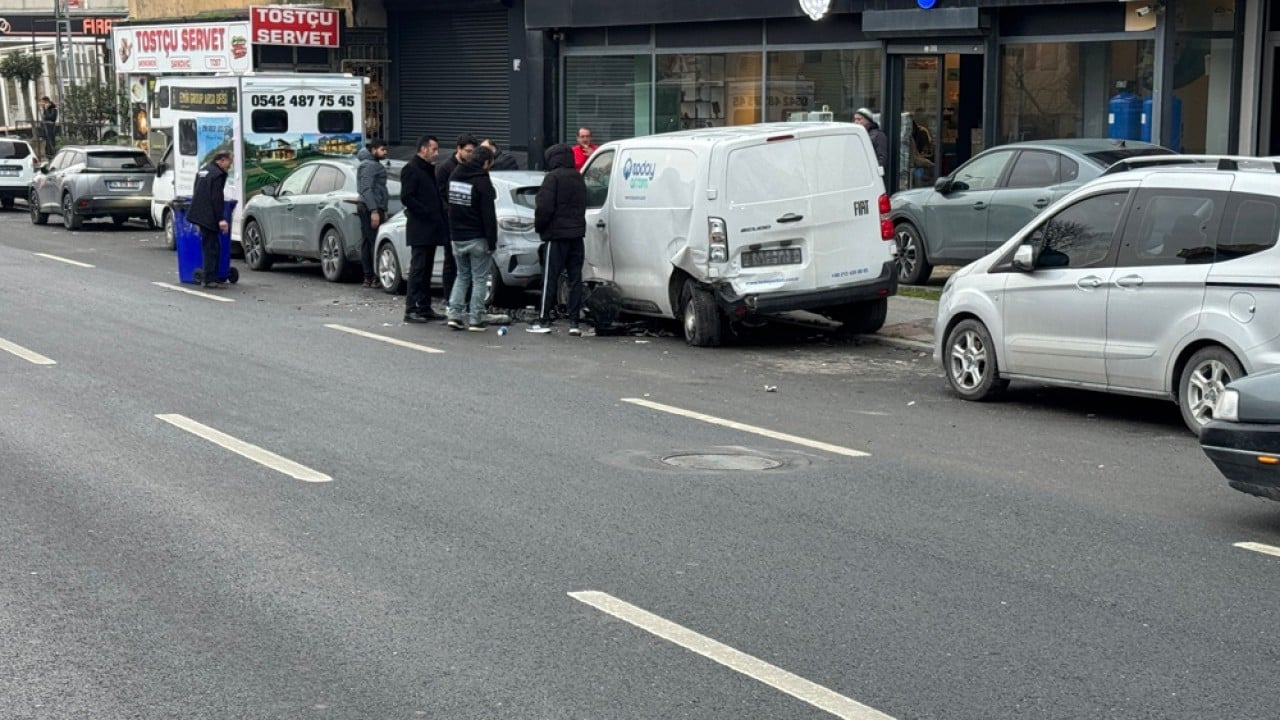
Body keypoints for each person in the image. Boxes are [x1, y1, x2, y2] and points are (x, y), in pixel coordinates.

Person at [527, 143, 587, 335]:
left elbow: (544, 208)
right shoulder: (578, 177)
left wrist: (540, 229)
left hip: (556, 235)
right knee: (575, 278)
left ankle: (544, 320)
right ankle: (574, 322)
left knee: (550, 278)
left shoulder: (552, 178)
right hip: (577, 235)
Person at [445, 144, 497, 332]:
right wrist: (492, 241)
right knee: (480, 279)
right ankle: (476, 318)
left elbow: (449, 203)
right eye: (490, 164)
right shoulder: (482, 181)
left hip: (457, 235)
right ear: (485, 162)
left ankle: (454, 315)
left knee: (462, 276)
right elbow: (488, 215)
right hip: (477, 237)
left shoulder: (455, 175)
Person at [399, 134, 449, 322]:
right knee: (418, 268)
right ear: (423, 148)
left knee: (426, 268)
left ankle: (424, 307)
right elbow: (407, 197)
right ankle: (410, 308)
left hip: (432, 227)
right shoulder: (411, 169)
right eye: (433, 149)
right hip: (420, 227)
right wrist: (427, 212)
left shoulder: (429, 169)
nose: (436, 154)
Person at [436, 133, 478, 302]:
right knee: (451, 262)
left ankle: (466, 301)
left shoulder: (472, 167)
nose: (470, 155)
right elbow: (440, 195)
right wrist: (450, 212)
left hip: (468, 222)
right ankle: (449, 299)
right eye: (467, 151)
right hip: (450, 222)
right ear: (458, 149)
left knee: (467, 266)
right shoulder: (446, 168)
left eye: (472, 152)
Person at [187, 151, 232, 289]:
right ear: (221, 160)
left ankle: (211, 276)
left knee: (211, 245)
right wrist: (221, 219)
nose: (229, 166)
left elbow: (196, 190)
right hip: (208, 215)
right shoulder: (217, 175)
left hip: (199, 212)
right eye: (229, 162)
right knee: (211, 247)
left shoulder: (203, 170)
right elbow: (216, 198)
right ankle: (209, 279)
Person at [356, 138, 390, 288]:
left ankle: (369, 277)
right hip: (371, 208)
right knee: (374, 242)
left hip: (370, 207)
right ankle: (373, 277)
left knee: (368, 241)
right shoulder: (370, 166)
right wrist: (374, 210)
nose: (385, 152)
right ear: (373, 150)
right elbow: (366, 188)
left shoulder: (371, 164)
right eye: (382, 149)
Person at [853, 108, 888, 173]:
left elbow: (881, 159)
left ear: (868, 121)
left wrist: (874, 174)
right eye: (855, 119)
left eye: (859, 119)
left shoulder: (878, 135)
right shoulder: (857, 135)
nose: (856, 122)